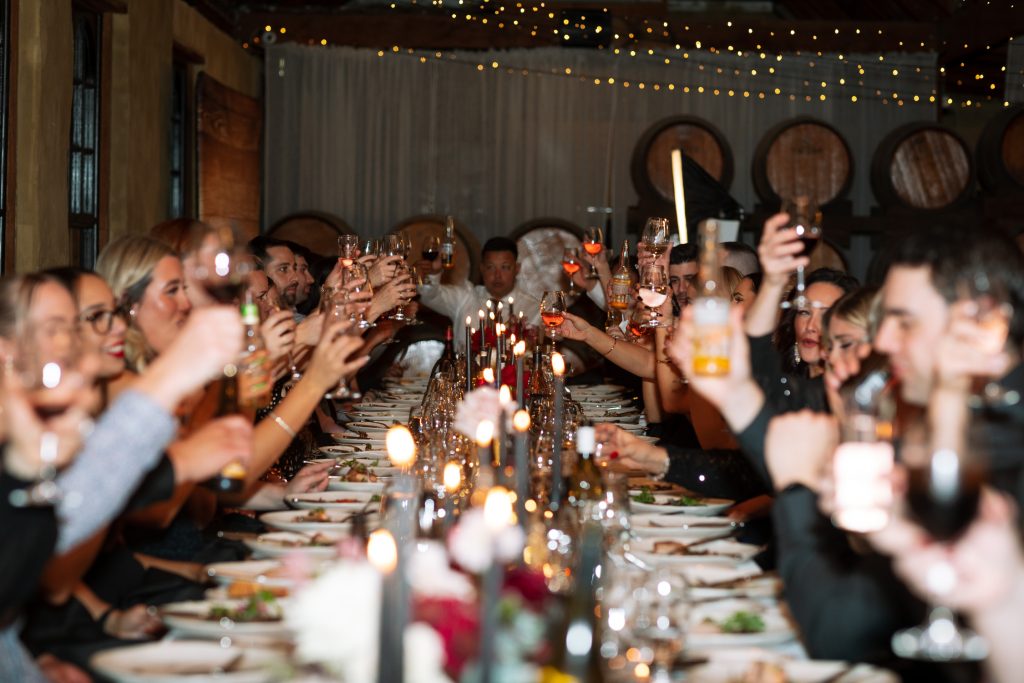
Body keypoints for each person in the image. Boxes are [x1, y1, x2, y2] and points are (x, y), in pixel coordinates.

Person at [416, 236, 541, 352]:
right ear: (481, 268)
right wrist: (433, 274)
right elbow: (429, 296)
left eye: (505, 267)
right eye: (490, 267)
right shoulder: (466, 297)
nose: (497, 275)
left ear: (517, 268)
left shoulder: (533, 308)